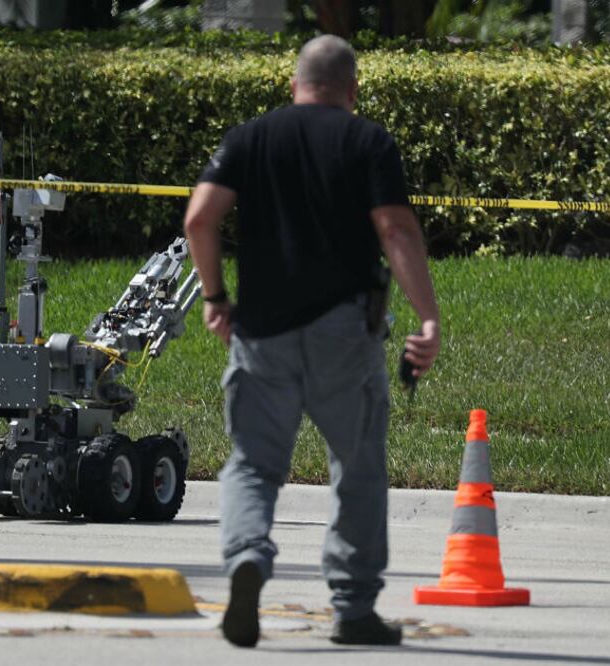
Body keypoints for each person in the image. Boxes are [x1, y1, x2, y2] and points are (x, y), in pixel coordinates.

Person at [183, 34, 440, 648]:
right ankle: (352, 610)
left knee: (252, 464)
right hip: (343, 335)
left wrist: (216, 299)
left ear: (292, 84)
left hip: (261, 334)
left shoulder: (251, 137)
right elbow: (395, 228)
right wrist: (426, 316)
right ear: (352, 90)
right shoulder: (367, 140)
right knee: (357, 468)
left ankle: (247, 558)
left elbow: (199, 218)